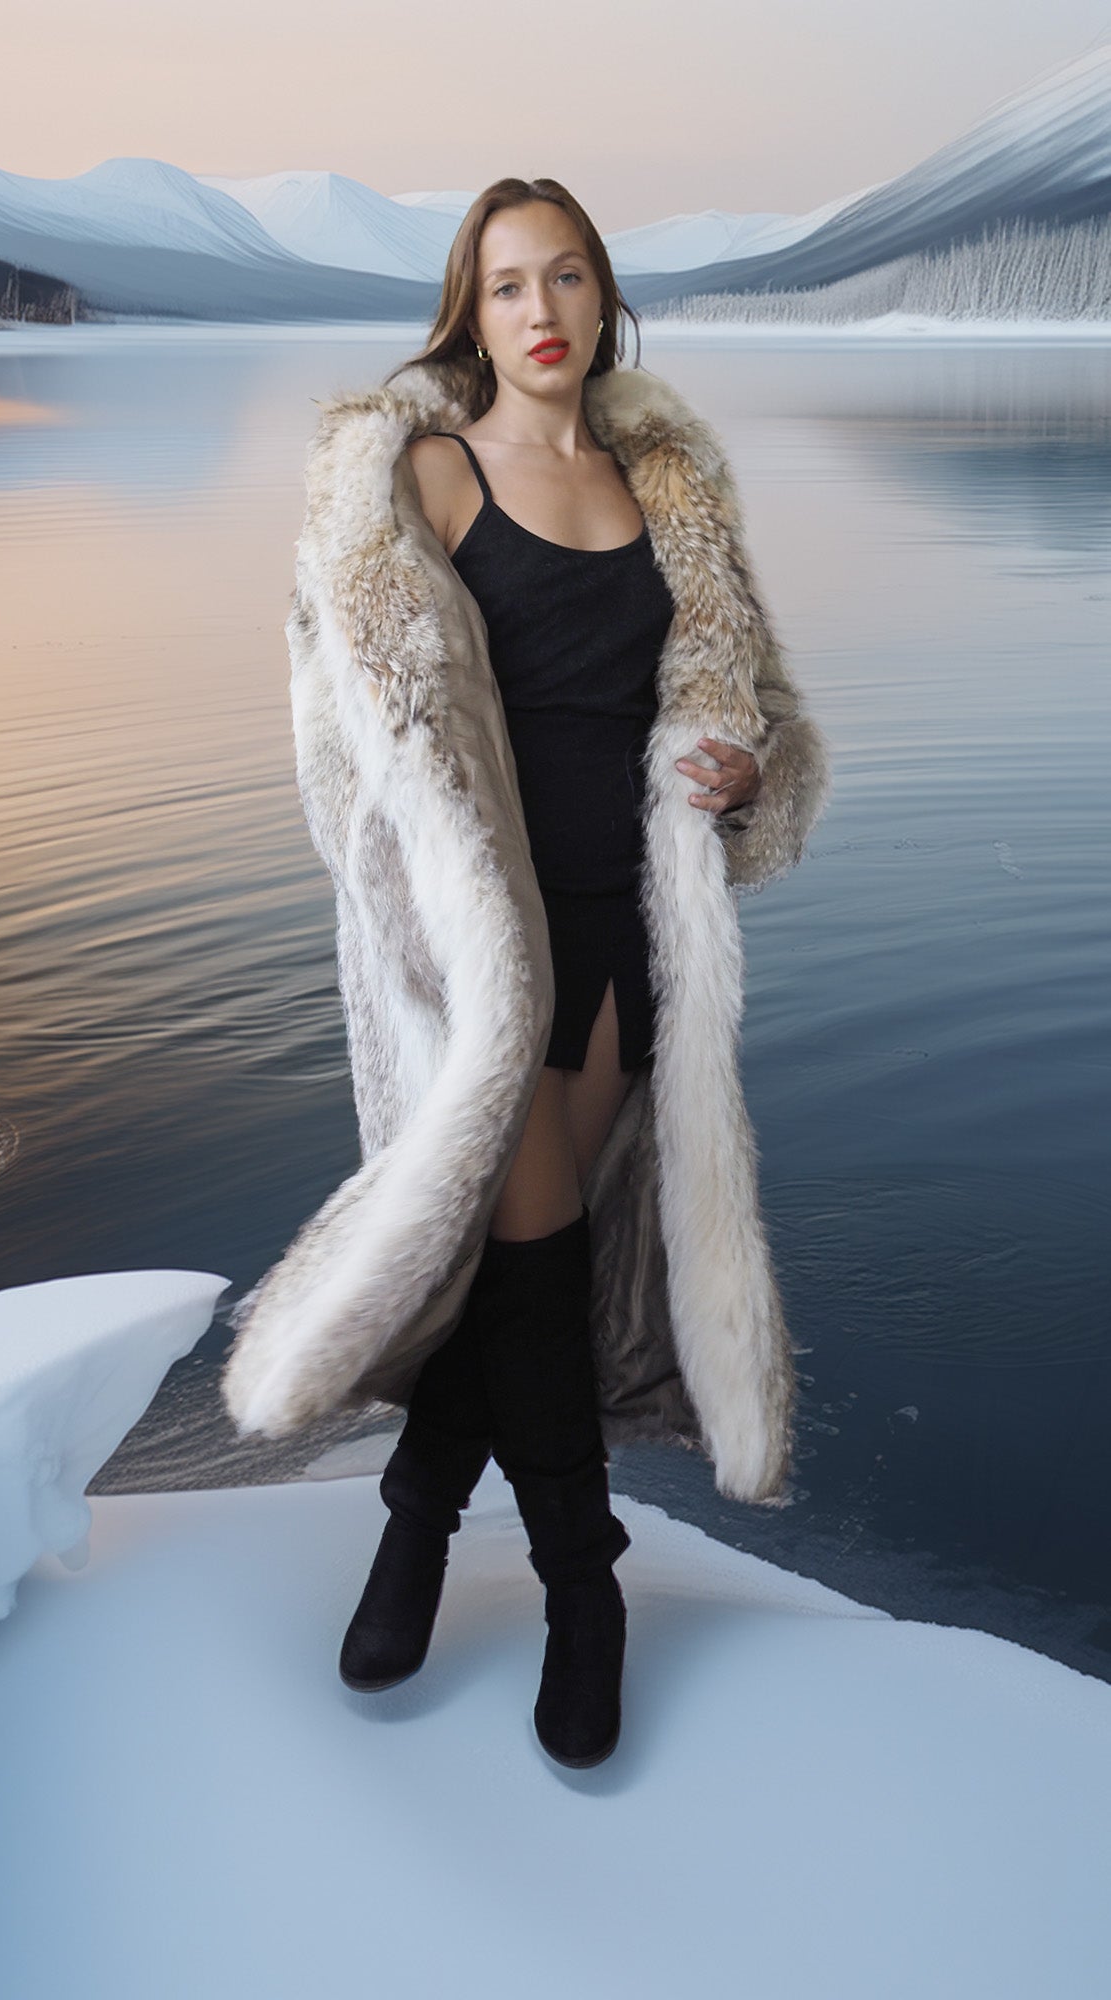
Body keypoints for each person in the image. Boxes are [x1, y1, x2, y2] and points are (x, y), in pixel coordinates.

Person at [220, 177, 832, 1770]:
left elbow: (753, 711)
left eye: (566, 276)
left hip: (626, 928)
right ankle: (584, 1590)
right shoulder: (419, 470)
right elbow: (343, 719)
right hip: (484, 941)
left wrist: (736, 769)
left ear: (603, 296)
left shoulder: (664, 485)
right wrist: (415, 903)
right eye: (507, 285)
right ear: (469, 311)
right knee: (530, 1243)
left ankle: (418, 1522)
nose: (541, 309)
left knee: (521, 1274)